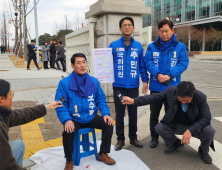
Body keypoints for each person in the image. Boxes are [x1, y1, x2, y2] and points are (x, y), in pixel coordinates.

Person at [122, 81, 216, 164]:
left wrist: (190, 130)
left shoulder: (201, 97)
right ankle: (176, 144)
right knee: (159, 128)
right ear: (177, 94)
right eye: (180, 99)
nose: (183, 102)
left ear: (193, 93)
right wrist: (134, 100)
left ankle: (203, 151)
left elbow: (206, 118)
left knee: (210, 131)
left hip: (194, 126)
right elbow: (154, 98)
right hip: (177, 124)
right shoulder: (171, 91)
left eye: (187, 100)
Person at [55, 53, 115, 170]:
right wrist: (67, 120)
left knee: (109, 123)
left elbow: (101, 99)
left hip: (90, 116)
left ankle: (103, 153)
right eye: (78, 63)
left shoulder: (93, 81)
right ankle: (69, 160)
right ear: (72, 65)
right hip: (74, 118)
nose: (82, 65)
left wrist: (106, 114)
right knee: (67, 132)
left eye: (84, 62)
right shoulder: (64, 83)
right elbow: (60, 103)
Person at [144, 19, 189, 148]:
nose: (164, 34)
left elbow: (183, 63)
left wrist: (169, 75)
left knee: (171, 115)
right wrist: (157, 74)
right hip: (156, 87)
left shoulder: (180, 46)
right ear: (158, 31)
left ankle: (169, 138)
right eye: (161, 31)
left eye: (167, 31)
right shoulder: (152, 46)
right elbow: (148, 61)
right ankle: (154, 138)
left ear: (172, 31)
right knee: (154, 114)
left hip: (173, 87)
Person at [0, 79, 62, 170]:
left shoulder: (4, 114)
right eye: (10, 94)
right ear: (1, 98)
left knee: (19, 144)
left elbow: (23, 114)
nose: (12, 97)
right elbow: (9, 166)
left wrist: (47, 107)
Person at [109, 16, 149, 151]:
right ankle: (120, 139)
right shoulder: (113, 45)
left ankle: (133, 137)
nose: (127, 27)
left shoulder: (138, 46)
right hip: (119, 88)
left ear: (133, 28)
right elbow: (106, 65)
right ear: (120, 28)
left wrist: (145, 79)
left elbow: (142, 65)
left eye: (129, 25)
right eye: (124, 25)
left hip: (133, 87)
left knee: (133, 113)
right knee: (119, 114)